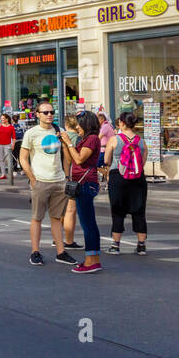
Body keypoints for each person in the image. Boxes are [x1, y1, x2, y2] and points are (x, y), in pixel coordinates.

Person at [20, 101, 74, 267]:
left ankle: (61, 252)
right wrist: (33, 179)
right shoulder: (31, 133)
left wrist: (66, 176)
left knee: (56, 218)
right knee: (37, 218)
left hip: (59, 180)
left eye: (51, 112)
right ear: (37, 114)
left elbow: (67, 157)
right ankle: (35, 252)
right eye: (45, 112)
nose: (49, 115)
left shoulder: (60, 131)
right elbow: (23, 158)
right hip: (41, 181)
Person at [59, 110, 103, 273]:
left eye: (79, 123)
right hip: (80, 182)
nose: (77, 127)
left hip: (86, 183)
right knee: (88, 223)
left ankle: (92, 262)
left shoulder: (92, 139)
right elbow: (70, 159)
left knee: (88, 224)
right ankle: (92, 259)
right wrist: (66, 144)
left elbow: (79, 159)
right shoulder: (85, 139)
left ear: (86, 124)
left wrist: (69, 143)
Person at [103, 112, 148, 254]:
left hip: (118, 177)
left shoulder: (114, 140)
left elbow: (106, 160)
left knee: (117, 211)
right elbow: (143, 161)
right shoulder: (141, 141)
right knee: (139, 212)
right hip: (138, 178)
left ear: (122, 123)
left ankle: (115, 245)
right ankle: (141, 246)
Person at [0, 113, 17, 181]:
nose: (2, 120)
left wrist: (13, 145)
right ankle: (3, 174)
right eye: (1, 119)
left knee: (8, 160)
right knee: (1, 159)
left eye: (3, 118)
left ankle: (10, 173)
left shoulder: (11, 127)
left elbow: (14, 137)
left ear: (7, 119)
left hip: (8, 145)